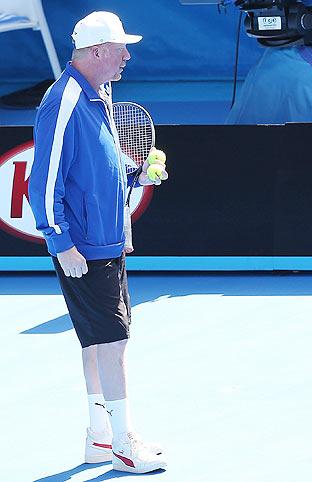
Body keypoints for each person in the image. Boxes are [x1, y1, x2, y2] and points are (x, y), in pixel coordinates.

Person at [28, 11, 168, 473]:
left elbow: (97, 167)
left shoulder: (100, 95)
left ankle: (100, 436)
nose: (127, 57)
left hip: (104, 241)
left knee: (95, 343)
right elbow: (43, 182)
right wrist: (60, 241)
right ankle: (125, 444)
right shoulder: (64, 101)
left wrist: (136, 173)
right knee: (113, 343)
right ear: (97, 52)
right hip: (85, 247)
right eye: (121, 49)